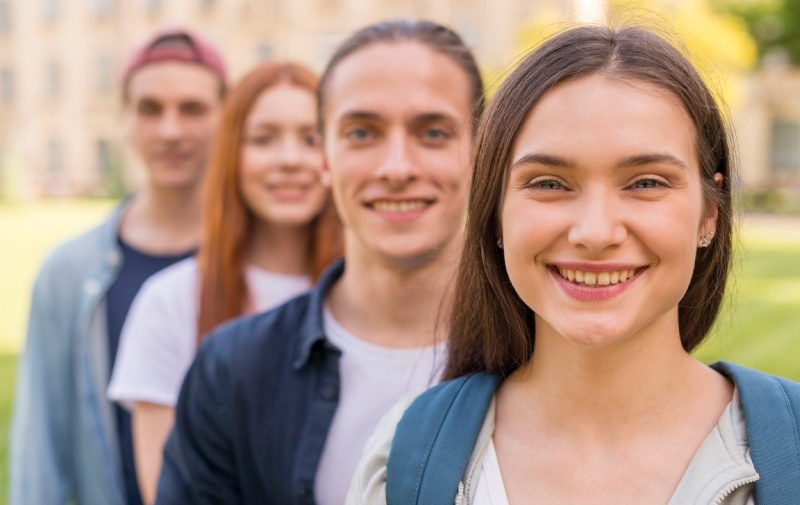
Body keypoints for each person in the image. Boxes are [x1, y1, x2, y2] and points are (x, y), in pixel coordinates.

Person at [348, 25, 800, 505]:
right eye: (548, 183)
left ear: (709, 214)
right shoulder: (404, 459)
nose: (595, 232)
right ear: (496, 214)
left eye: (646, 182)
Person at [153, 19, 484, 505]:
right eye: (362, 132)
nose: (396, 168)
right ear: (324, 156)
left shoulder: (543, 357)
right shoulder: (232, 370)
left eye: (433, 132)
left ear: (481, 150)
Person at [106, 61, 342, 504]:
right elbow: (166, 491)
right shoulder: (170, 302)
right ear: (230, 154)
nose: (289, 159)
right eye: (263, 139)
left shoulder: (372, 298)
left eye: (310, 138)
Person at [9, 29, 226, 505]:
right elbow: (39, 450)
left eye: (192, 109)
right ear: (123, 118)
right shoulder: (67, 274)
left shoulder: (261, 263)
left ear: (225, 118)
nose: (170, 130)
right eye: (151, 109)